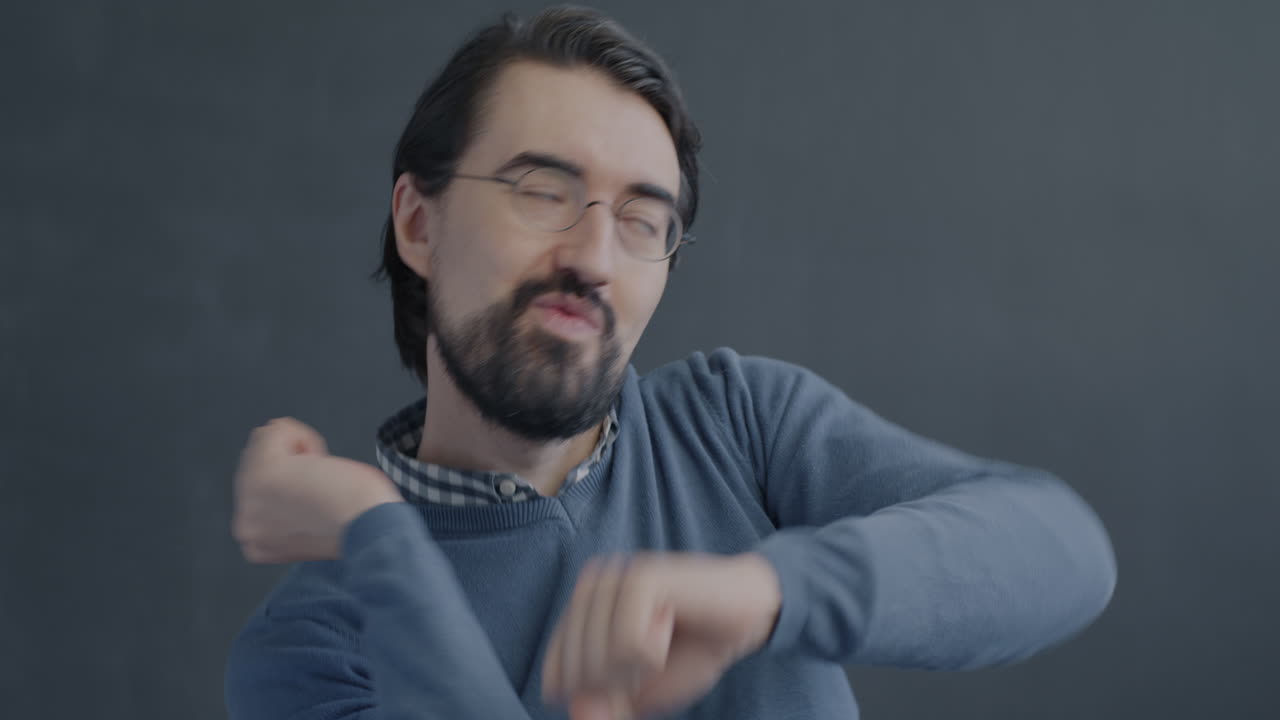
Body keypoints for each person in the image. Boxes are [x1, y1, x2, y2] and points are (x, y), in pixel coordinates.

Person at [224, 7, 1117, 720]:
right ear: (420, 224)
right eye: (544, 193)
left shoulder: (737, 425)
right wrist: (381, 533)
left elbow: (1061, 550)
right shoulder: (312, 648)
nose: (594, 256)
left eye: (643, 221)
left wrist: (765, 589)